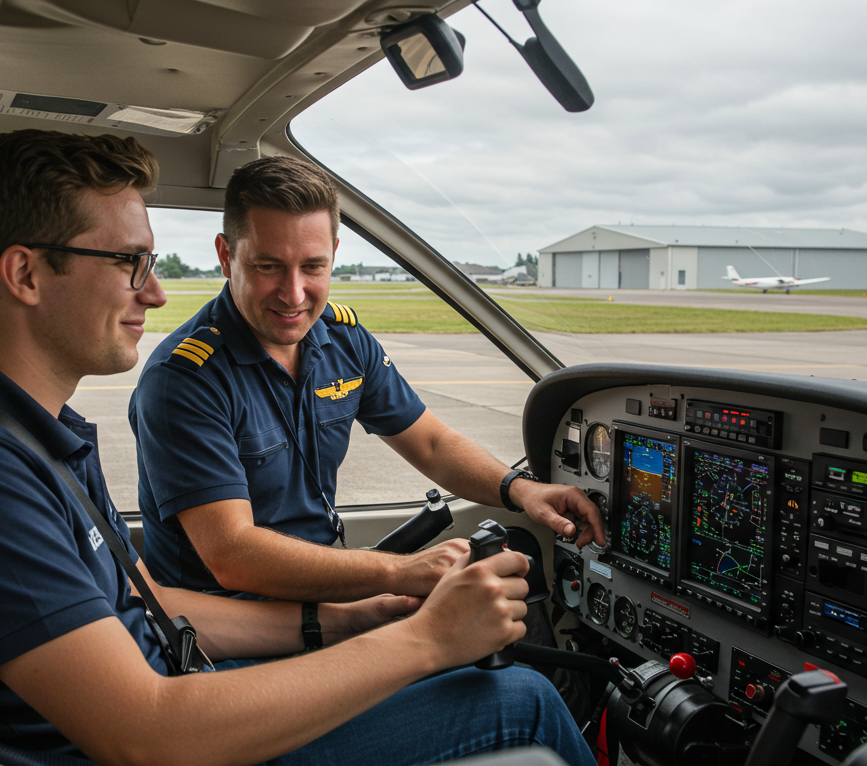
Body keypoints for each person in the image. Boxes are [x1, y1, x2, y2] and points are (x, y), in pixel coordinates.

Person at [0, 128, 596, 766]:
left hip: (188, 684)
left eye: (313, 266)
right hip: (177, 731)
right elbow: (148, 733)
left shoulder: (27, 438)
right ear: (23, 274)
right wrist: (425, 639)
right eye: (130, 264)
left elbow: (148, 604)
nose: (154, 295)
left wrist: (358, 615)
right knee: (523, 699)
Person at [130, 156, 606, 603]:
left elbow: (432, 444)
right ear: (225, 254)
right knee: (520, 690)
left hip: (318, 599)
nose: (294, 294)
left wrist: (521, 489)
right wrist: (398, 572)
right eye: (268, 266)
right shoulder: (185, 379)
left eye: (313, 266)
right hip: (227, 633)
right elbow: (232, 556)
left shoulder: (343, 340)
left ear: (334, 254)